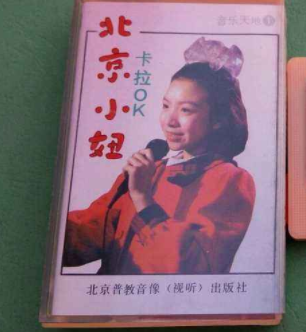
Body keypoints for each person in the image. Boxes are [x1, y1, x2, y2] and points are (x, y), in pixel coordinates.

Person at [63, 37, 255, 274]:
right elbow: (91, 231)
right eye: (166, 106)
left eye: (186, 110)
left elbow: (191, 266)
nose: (170, 120)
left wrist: (143, 199)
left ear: (218, 119)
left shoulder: (230, 180)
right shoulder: (150, 169)